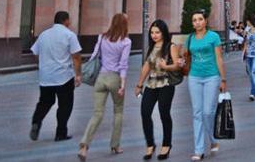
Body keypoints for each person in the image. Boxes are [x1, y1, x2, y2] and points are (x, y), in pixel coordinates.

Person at [79, 12, 132, 159]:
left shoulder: (102, 37)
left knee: (97, 114)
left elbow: (94, 55)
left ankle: (84, 145)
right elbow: (123, 64)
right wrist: (122, 84)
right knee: (118, 112)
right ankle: (115, 145)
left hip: (101, 78)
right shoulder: (126, 42)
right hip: (115, 78)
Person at [30, 11, 82, 143]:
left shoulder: (44, 35)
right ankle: (60, 132)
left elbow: (35, 52)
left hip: (46, 77)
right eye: (69, 20)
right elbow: (76, 56)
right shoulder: (69, 35)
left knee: (45, 102)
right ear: (66, 21)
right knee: (65, 104)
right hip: (63, 76)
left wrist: (43, 64)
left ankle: (36, 121)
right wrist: (78, 74)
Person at [135, 19, 184, 161]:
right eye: (152, 32)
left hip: (166, 84)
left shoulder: (170, 46)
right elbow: (146, 66)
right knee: (145, 113)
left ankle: (166, 145)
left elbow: (176, 65)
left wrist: (166, 67)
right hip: (151, 84)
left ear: (163, 32)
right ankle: (150, 145)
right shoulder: (151, 47)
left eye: (157, 32)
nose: (154, 35)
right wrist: (139, 85)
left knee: (164, 114)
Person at [184, 10, 226, 160]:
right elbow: (186, 57)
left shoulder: (213, 37)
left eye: (200, 19)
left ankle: (213, 140)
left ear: (205, 21)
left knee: (208, 112)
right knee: (197, 113)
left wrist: (223, 79)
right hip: (194, 77)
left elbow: (219, 58)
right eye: (194, 20)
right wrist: (180, 62)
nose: (197, 22)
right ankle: (199, 150)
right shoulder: (190, 39)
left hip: (212, 77)